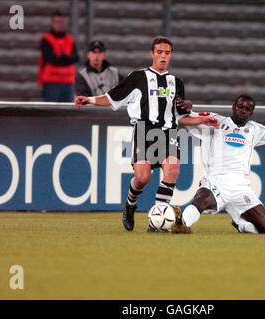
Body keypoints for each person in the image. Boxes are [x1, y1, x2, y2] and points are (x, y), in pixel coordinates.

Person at [75, 36, 218, 232]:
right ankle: (130, 205)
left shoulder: (177, 83)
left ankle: (156, 221)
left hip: (168, 132)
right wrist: (89, 100)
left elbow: (181, 117)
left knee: (172, 168)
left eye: (167, 53)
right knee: (142, 178)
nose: (163, 56)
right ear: (152, 53)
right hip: (144, 130)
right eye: (159, 52)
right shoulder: (138, 78)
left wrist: (202, 119)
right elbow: (111, 98)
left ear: (171, 55)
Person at [171, 79, 265, 234]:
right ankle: (182, 224)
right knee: (201, 200)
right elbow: (186, 118)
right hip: (217, 180)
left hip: (241, 187)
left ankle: (241, 225)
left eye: (247, 109)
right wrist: (186, 107)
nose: (243, 110)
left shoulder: (254, 129)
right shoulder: (215, 121)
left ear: (251, 113)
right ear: (233, 107)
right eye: (240, 106)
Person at [38, 11, 79, 102]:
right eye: (57, 22)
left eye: (61, 22)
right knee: (51, 112)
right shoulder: (46, 39)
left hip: (68, 82)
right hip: (51, 82)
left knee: (67, 112)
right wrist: (66, 59)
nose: (59, 25)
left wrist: (61, 58)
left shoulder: (70, 39)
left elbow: (76, 58)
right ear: (52, 23)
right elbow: (51, 59)